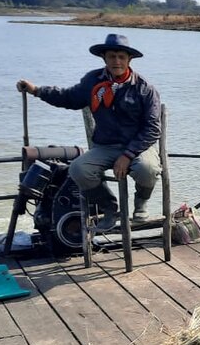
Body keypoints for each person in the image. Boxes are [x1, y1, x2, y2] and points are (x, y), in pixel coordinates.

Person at [17, 34, 162, 231]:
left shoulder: (145, 88)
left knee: (148, 169)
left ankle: (141, 204)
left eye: (121, 56)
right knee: (78, 169)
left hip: (138, 146)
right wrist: (36, 90)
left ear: (129, 60)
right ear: (104, 58)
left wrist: (128, 155)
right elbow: (68, 98)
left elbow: (153, 128)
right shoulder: (92, 81)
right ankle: (109, 208)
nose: (116, 61)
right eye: (112, 56)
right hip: (106, 146)